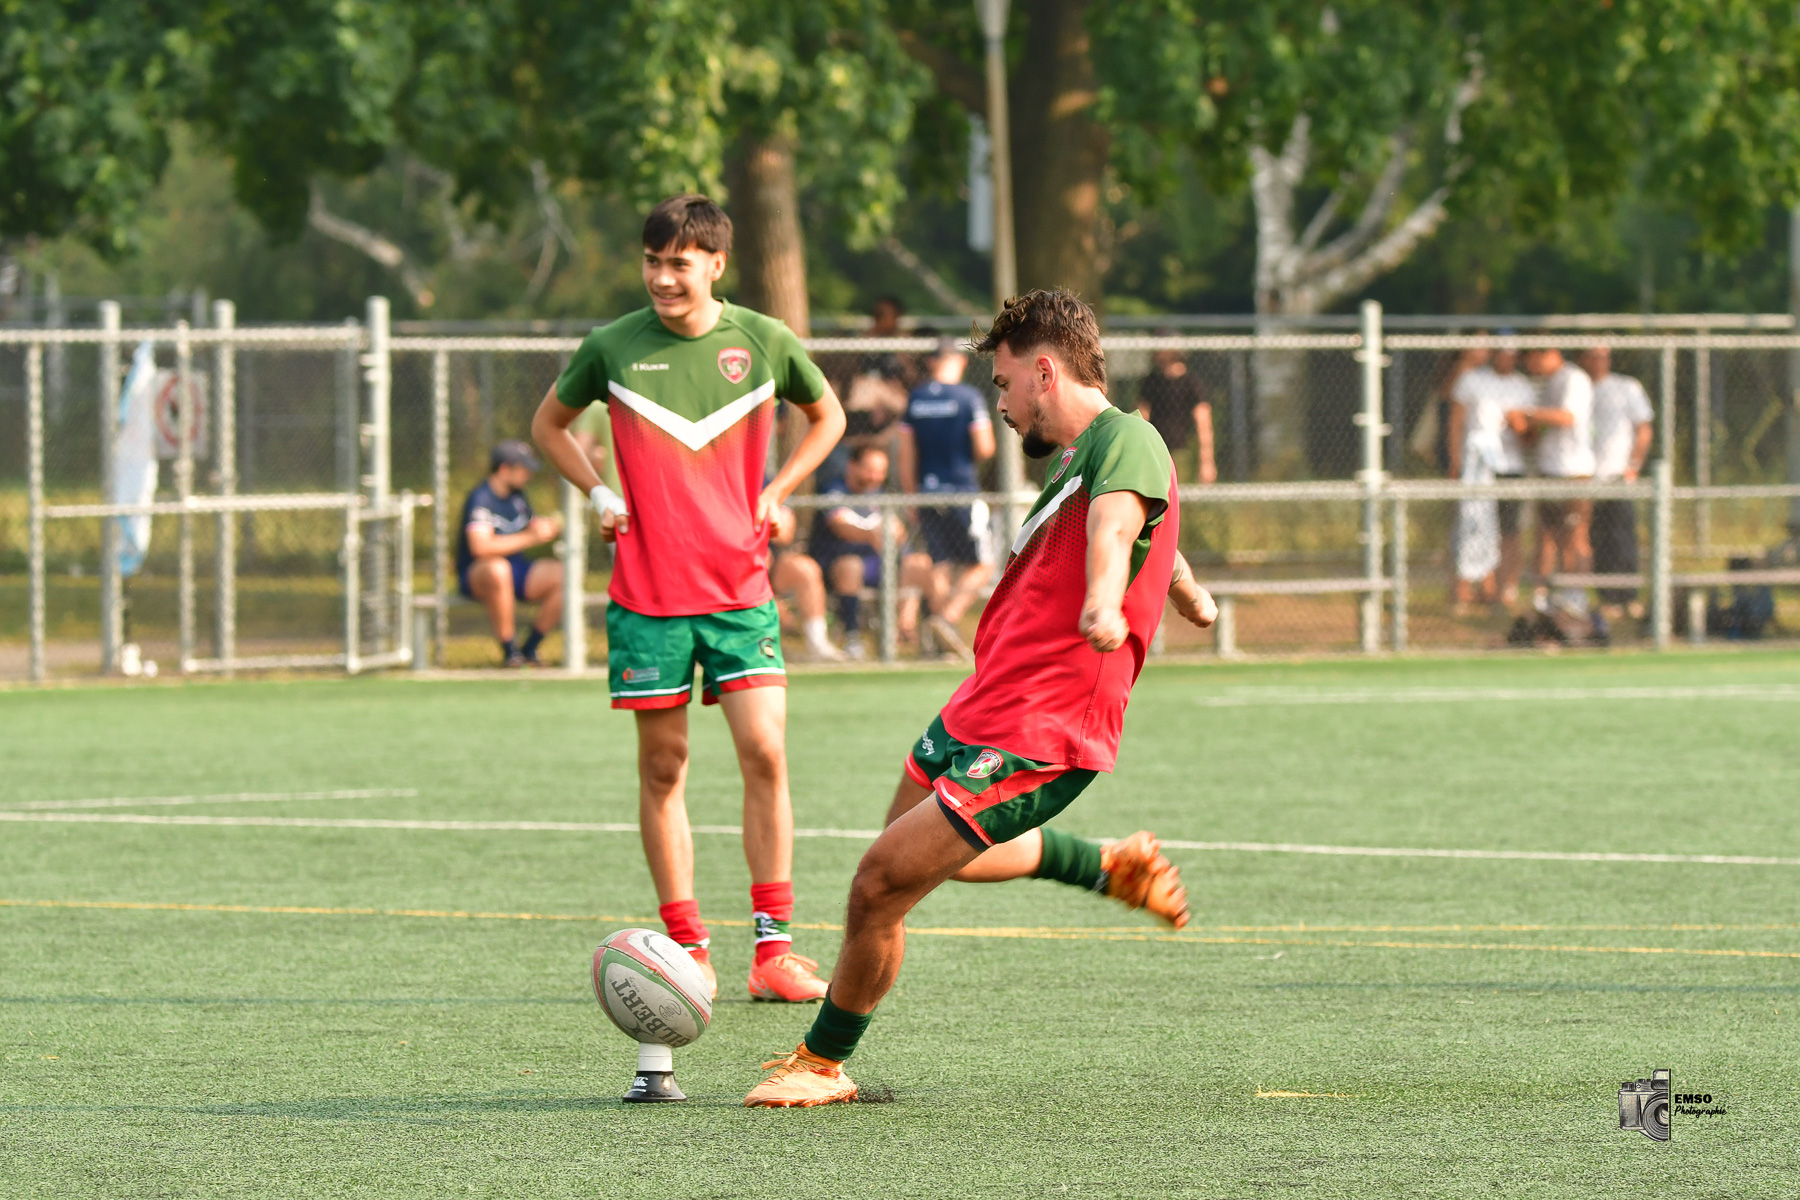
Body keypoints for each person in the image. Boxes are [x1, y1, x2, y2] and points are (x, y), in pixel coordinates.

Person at [744, 289, 1218, 1107]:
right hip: (986, 702)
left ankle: (820, 1064)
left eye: (1002, 385)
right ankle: (1107, 866)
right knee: (915, 858)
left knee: (880, 882)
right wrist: (1183, 585)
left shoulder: (1128, 438)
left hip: (1046, 724)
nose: (998, 405)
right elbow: (1148, 524)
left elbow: (1116, 530)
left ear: (1044, 370)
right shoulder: (1088, 454)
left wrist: (1107, 599)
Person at [531, 194, 847, 1004]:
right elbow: (549, 426)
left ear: (715, 263)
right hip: (647, 596)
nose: (663, 278)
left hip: (740, 589)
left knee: (766, 753)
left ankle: (774, 949)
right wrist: (598, 491)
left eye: (679, 263)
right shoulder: (610, 347)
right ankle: (687, 946)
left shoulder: (763, 341)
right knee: (664, 766)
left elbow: (828, 416)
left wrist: (780, 490)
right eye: (652, 261)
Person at [897, 338, 996, 657]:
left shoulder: (916, 399)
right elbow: (984, 447)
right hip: (962, 489)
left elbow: (906, 453)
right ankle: (946, 619)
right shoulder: (968, 397)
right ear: (960, 362)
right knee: (983, 563)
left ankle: (938, 641)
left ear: (930, 362)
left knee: (940, 563)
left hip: (927, 491)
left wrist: (912, 494)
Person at [807, 443, 933, 659]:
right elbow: (839, 524)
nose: (875, 477)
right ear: (852, 466)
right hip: (837, 566)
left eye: (880, 472)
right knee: (851, 565)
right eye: (870, 470)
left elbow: (900, 537)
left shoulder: (880, 496)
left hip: (879, 565)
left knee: (919, 562)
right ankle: (852, 636)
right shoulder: (833, 490)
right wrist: (871, 534)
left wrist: (894, 533)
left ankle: (905, 627)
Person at [456, 440, 565, 667]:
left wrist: (547, 527)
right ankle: (510, 651)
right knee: (498, 569)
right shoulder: (481, 498)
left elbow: (530, 525)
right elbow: (480, 547)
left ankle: (530, 648)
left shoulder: (518, 497)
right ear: (505, 469)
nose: (528, 474)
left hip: (516, 568)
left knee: (563, 575)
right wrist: (531, 537)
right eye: (523, 469)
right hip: (480, 574)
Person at [1448, 339, 1535, 606]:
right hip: (1477, 468)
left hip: (1511, 467)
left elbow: (1530, 435)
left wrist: (1521, 427)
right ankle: (1463, 590)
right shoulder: (1472, 380)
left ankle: (1503, 590)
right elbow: (1456, 422)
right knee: (1472, 526)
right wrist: (1456, 460)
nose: (1506, 358)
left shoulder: (1523, 386)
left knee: (1509, 531)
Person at [1516, 347, 1596, 618]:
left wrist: (1527, 414)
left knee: (1574, 536)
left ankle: (1575, 594)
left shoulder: (1573, 378)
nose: (1530, 367)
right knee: (1545, 536)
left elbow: (1567, 417)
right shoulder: (1548, 382)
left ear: (1547, 353)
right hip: (1549, 469)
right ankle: (1542, 596)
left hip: (1573, 472)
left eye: (1531, 359)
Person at [1582, 346, 1654, 620]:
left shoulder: (1626, 387)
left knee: (1623, 537)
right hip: (1588, 476)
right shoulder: (1580, 388)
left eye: (1605, 356)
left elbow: (1643, 428)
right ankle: (1608, 599)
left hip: (1617, 475)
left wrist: (1633, 465)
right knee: (1598, 539)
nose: (1601, 361)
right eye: (1595, 355)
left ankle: (1629, 597)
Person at [769, 505, 846, 661]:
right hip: (734, 562)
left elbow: (783, 534)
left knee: (806, 569)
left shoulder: (767, 486)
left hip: (769, 561)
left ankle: (818, 643)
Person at [1136, 343, 1217, 484]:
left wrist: (1206, 462)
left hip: (1182, 451)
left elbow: (1203, 423)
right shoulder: (1151, 381)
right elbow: (1141, 417)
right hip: (1154, 449)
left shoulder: (1191, 383)